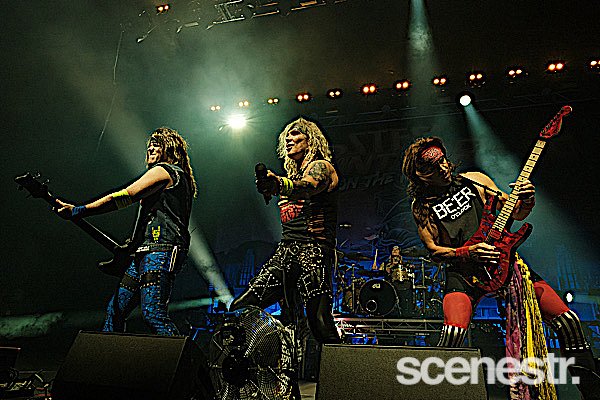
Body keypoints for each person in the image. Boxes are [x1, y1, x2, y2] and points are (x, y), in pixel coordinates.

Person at [402, 136, 598, 399]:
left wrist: (526, 201)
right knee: (452, 333)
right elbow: (433, 250)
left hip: (504, 264)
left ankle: (592, 392)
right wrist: (467, 252)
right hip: (465, 272)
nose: (444, 167)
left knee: (568, 322)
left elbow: (514, 213)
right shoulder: (422, 207)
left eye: (444, 160)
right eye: (434, 167)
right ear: (421, 175)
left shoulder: (475, 180)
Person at [57, 127, 196, 336]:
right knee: (115, 311)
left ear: (171, 149)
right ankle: (109, 354)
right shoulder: (174, 177)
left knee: (153, 314)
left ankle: (184, 356)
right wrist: (131, 245)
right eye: (150, 145)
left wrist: (79, 210)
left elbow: (125, 196)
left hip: (161, 249)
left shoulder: (165, 170)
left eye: (157, 144)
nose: (150, 148)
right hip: (145, 251)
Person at [229, 116, 340, 345]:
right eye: (286, 137)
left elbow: (308, 187)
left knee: (319, 322)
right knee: (242, 307)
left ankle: (342, 366)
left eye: (296, 135)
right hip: (286, 253)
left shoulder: (322, 167)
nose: (289, 139)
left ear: (310, 141)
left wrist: (279, 184)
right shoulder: (291, 177)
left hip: (314, 251)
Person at [380, 245, 415, 317]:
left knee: (408, 294)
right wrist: (391, 265)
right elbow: (380, 272)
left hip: (405, 285)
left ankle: (408, 312)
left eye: (397, 249)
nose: (395, 250)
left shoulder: (405, 264)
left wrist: (410, 267)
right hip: (391, 285)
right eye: (393, 249)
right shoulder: (386, 264)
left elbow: (411, 270)